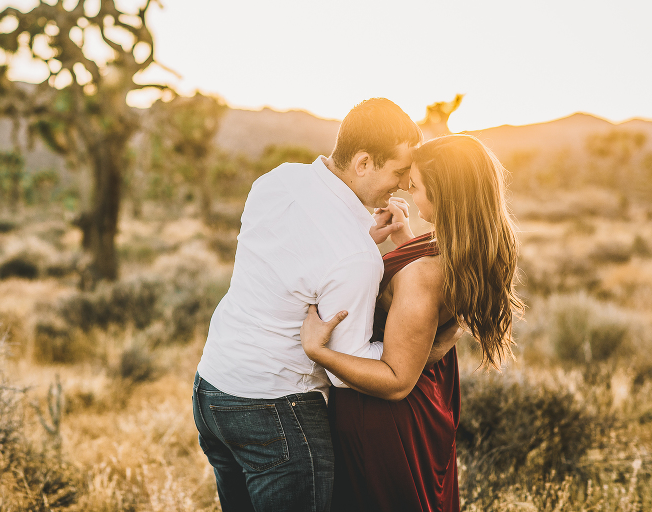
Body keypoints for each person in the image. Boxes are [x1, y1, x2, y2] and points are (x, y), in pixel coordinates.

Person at [191, 98, 462, 512]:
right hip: (277, 408)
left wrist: (361, 245)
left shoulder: (277, 180)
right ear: (364, 162)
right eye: (398, 171)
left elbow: (293, 257)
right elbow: (351, 370)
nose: (405, 184)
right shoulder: (353, 258)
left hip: (212, 390)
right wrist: (430, 344)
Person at [301, 134, 525, 512]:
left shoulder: (425, 274)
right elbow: (436, 302)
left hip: (386, 416)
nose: (406, 189)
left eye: (416, 185)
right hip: (432, 395)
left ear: (446, 195)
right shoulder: (465, 243)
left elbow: (396, 380)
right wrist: (406, 242)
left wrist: (317, 351)